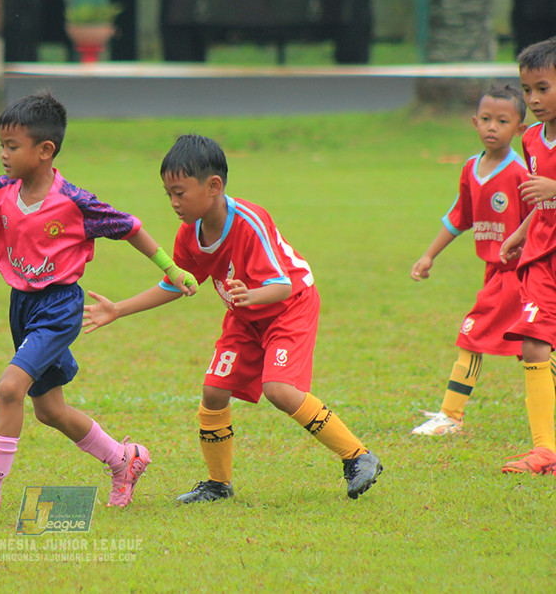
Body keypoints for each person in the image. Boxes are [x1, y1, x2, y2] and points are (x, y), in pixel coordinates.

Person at [0, 92, 197, 514]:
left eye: (12, 146)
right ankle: (123, 459)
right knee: (50, 410)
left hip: (59, 308)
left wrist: (171, 268)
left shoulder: (74, 201)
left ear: (44, 150)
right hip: (22, 306)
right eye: (1, 145)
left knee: (9, 389)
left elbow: (129, 228)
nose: (2, 154)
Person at [83, 134, 382, 502]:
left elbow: (283, 286)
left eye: (180, 192)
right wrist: (119, 309)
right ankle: (218, 484)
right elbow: (176, 284)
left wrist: (251, 295)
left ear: (213, 186)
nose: (173, 202)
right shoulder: (189, 234)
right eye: (168, 194)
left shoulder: (250, 222)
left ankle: (358, 456)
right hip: (245, 317)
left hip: (289, 309)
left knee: (279, 390)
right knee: (214, 391)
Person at [410, 84, 530, 436]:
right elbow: (459, 216)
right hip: (493, 273)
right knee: (533, 348)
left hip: (518, 274)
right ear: (474, 122)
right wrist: (429, 255)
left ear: (519, 129)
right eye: (487, 119)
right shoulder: (470, 169)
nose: (493, 127)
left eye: (503, 121)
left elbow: (540, 218)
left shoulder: (520, 173)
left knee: (472, 334)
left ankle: (451, 415)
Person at [499, 36, 556, 475]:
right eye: (527, 90)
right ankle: (544, 451)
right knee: (534, 341)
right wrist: (520, 233)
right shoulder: (532, 138)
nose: (533, 99)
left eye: (543, 88)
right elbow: (541, 200)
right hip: (541, 254)